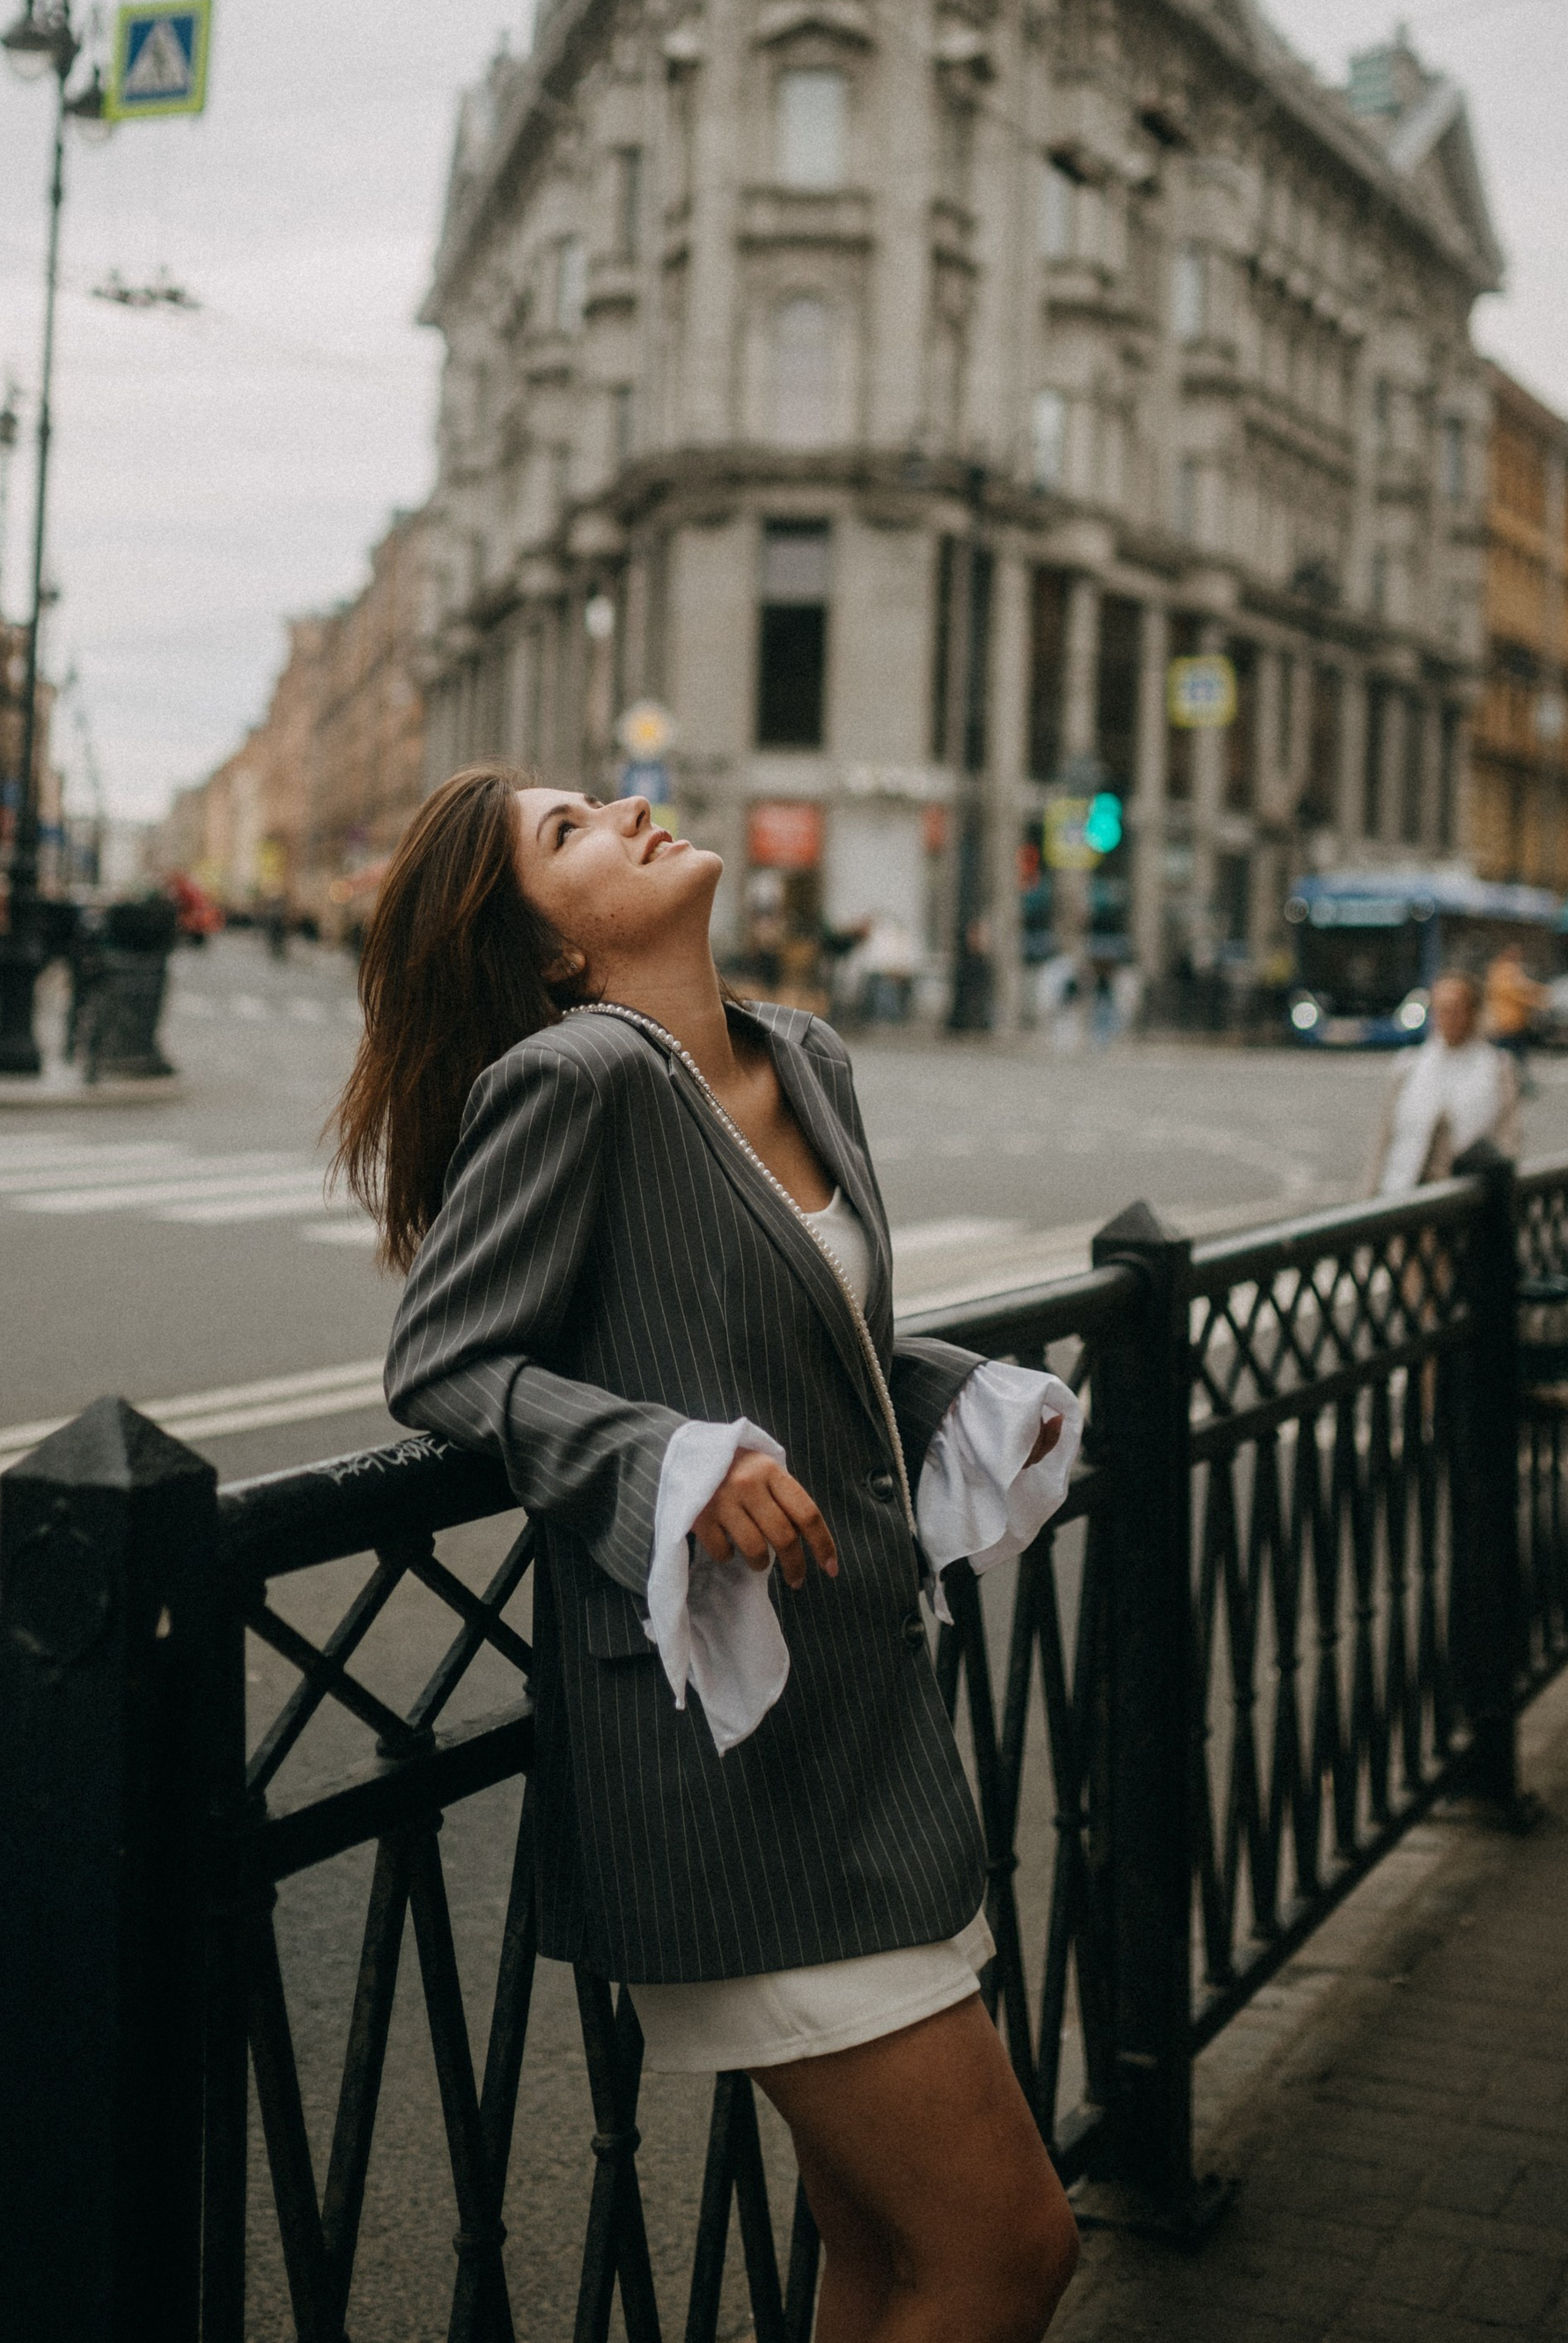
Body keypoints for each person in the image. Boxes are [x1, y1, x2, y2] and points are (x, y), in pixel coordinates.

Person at [343, 769, 1083, 2343]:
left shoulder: (799, 1052)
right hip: (729, 1761)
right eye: (568, 834)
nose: (621, 808)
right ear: (550, 953)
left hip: (873, 1726)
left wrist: (954, 1396)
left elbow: (808, 1333)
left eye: (597, 800)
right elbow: (447, 1361)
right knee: (1008, 2249)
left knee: (883, 2250)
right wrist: (660, 1462)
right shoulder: (576, 1077)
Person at [1370, 969, 1520, 1193]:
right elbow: (1384, 1140)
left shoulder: (1497, 1067)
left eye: (1455, 1009)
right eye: (1440, 1009)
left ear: (1472, 1012)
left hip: (1462, 1203)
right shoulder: (1409, 1065)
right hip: (1401, 1195)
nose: (1447, 1017)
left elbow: (1508, 1140)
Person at [1483, 944, 1544, 1094]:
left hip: (1513, 1023)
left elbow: (1525, 987)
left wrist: (1539, 993)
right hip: (1507, 1023)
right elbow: (1516, 992)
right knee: (1508, 1057)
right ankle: (1517, 1085)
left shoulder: (1504, 970)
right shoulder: (1505, 971)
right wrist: (1538, 1000)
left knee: (1515, 1056)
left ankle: (1520, 1084)